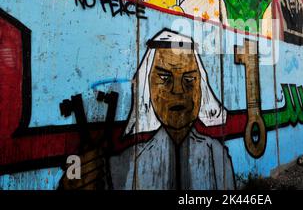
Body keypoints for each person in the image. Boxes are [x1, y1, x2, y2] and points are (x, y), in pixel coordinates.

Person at [59, 30, 235, 190]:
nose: (178, 90)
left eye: (189, 79)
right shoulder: (124, 163)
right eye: (165, 78)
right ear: (147, 86)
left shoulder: (217, 154)